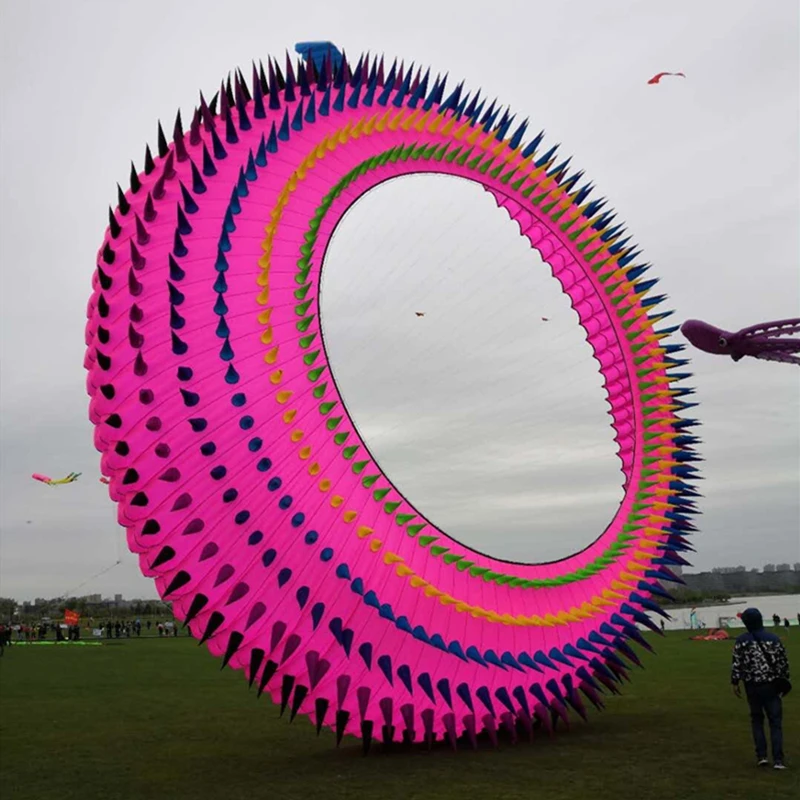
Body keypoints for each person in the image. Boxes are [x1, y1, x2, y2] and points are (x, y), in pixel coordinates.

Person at [731, 607, 790, 770]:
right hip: (771, 685)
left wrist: (735, 682)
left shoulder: (741, 641)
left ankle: (762, 756)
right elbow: (783, 663)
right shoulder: (773, 639)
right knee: (775, 722)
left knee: (757, 720)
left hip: (752, 685)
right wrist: (784, 681)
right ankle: (778, 759)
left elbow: (737, 663)